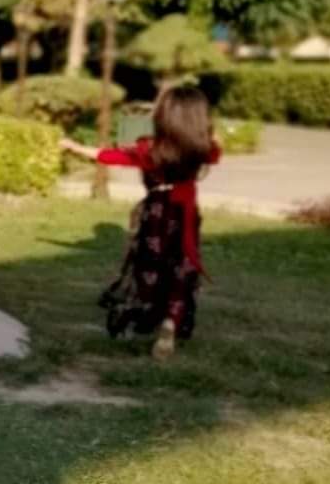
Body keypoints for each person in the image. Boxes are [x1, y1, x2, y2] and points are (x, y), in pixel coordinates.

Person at [60, 85, 221, 360]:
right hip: (186, 214)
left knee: (150, 266)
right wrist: (206, 129)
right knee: (182, 267)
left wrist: (74, 147)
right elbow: (216, 151)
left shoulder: (150, 149)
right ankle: (171, 321)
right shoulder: (202, 149)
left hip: (157, 213)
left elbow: (111, 156)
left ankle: (148, 313)